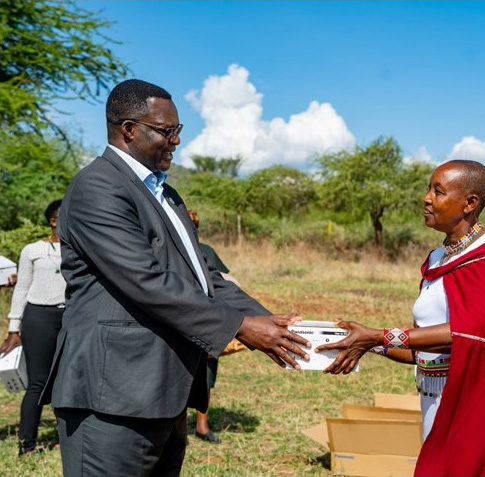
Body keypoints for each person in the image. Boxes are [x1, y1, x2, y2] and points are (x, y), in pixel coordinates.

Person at [47, 79, 310, 477]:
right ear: (129, 129)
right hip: (112, 398)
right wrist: (240, 326)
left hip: (161, 394)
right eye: (167, 131)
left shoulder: (167, 196)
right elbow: (147, 281)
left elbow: (204, 277)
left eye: (179, 131)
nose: (175, 141)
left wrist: (273, 322)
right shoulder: (97, 187)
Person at [317, 160, 485, 476]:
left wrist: (379, 335)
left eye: (438, 191)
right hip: (436, 397)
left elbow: (473, 333)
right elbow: (424, 348)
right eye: (429, 189)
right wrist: (364, 344)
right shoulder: (437, 259)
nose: (426, 198)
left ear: (470, 203)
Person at [0, 200, 66, 455]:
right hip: (39, 317)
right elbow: (22, 289)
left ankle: (66, 439)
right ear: (53, 220)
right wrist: (14, 328)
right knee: (38, 382)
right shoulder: (32, 250)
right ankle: (27, 444)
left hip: (70, 318)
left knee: (66, 381)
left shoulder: (80, 248)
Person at [186, 208, 237, 444]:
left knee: (206, 375)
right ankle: (175, 426)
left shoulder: (206, 251)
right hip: (180, 319)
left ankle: (202, 426)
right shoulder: (167, 248)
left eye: (194, 227)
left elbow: (224, 281)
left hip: (207, 321)